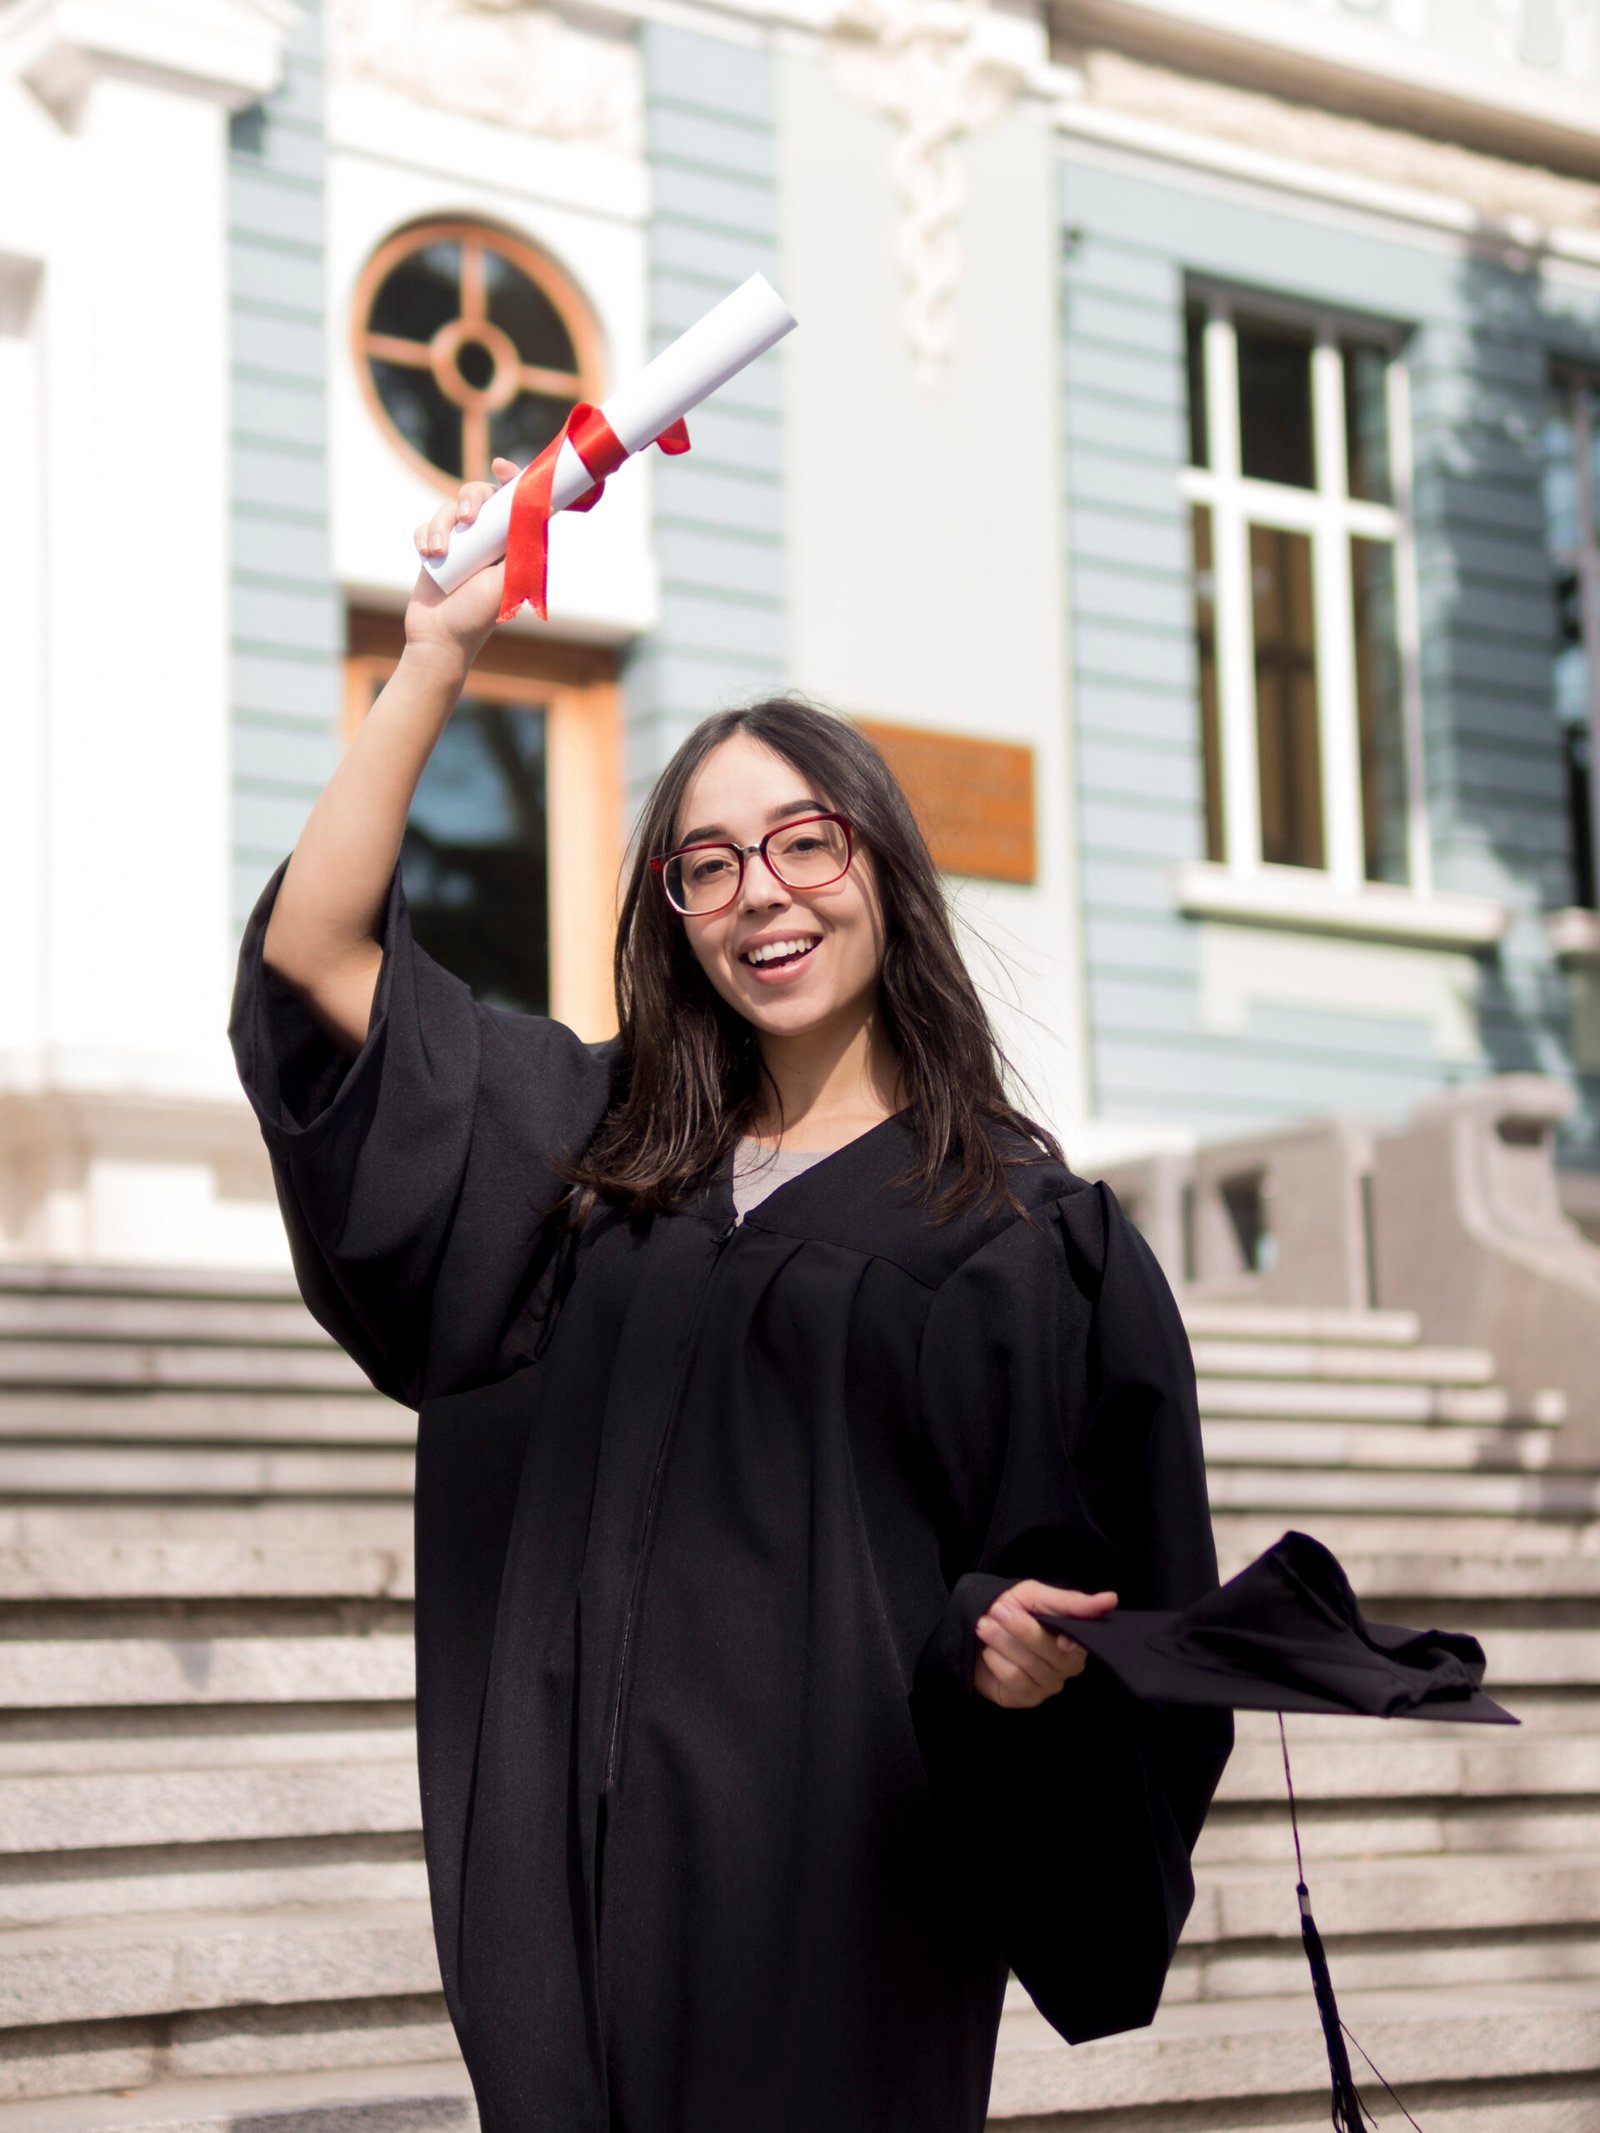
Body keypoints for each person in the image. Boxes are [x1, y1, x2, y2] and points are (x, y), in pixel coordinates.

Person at [228, 462, 1234, 2133]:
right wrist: (435, 656)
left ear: (881, 865)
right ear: (676, 918)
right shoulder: (591, 1155)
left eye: (801, 841)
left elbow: (1104, 1605)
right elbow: (322, 963)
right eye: (706, 864)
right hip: (564, 1916)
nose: (761, 889)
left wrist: (1021, 1671)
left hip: (837, 1929)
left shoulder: (1018, 1237)